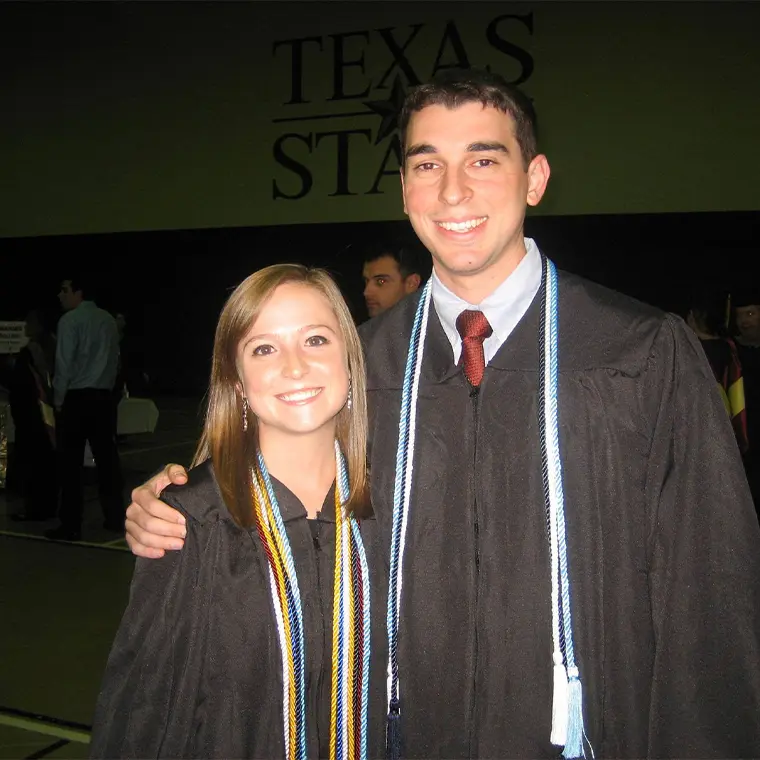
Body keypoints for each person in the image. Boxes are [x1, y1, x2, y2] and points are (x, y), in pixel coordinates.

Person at [124, 69, 760, 759]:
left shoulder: (639, 352)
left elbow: (712, 596)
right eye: (428, 165)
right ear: (405, 191)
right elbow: (279, 492)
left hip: (592, 734)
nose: (453, 191)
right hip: (402, 733)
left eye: (484, 160)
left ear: (536, 177)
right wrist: (179, 503)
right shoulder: (361, 366)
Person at [90, 265, 378, 759]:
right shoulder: (191, 522)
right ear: (238, 382)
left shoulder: (397, 512)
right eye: (264, 348)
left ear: (350, 361)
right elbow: (147, 713)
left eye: (315, 340)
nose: (294, 366)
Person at [46, 277, 124, 541]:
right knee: (107, 461)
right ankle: (115, 518)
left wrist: (58, 400)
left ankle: (70, 524)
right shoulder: (108, 321)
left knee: (70, 465)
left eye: (64, 290)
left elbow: (64, 364)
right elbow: (114, 360)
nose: (60, 295)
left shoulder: (69, 321)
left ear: (79, 292)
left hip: (77, 399)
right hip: (102, 397)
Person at [7, 309, 57, 520]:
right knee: (45, 462)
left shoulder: (33, 351)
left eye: (29, 322)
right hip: (45, 415)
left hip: (34, 416)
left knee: (35, 463)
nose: (25, 326)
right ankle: (45, 506)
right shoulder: (51, 346)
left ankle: (36, 509)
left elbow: (25, 385)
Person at [686, 291, 748, 454]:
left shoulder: (688, 353)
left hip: (699, 436)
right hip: (726, 434)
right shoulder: (732, 350)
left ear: (692, 317)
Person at [734, 289, 760, 511]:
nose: (744, 322)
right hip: (743, 441)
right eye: (740, 316)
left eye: (750, 314)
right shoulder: (732, 351)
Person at [361, 240, 424, 318]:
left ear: (411, 283)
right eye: (366, 281)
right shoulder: (365, 329)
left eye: (381, 281)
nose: (366, 292)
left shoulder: (432, 327)